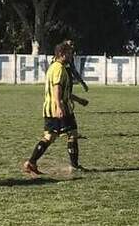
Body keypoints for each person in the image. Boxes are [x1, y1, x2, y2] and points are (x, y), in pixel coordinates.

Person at [22, 41, 89, 176]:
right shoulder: (59, 68)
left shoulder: (54, 67)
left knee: (50, 136)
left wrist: (79, 100)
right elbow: (56, 88)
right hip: (58, 107)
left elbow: (64, 91)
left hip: (50, 107)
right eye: (69, 53)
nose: (71, 56)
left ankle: (31, 162)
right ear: (61, 54)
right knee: (72, 133)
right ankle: (74, 165)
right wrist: (59, 106)